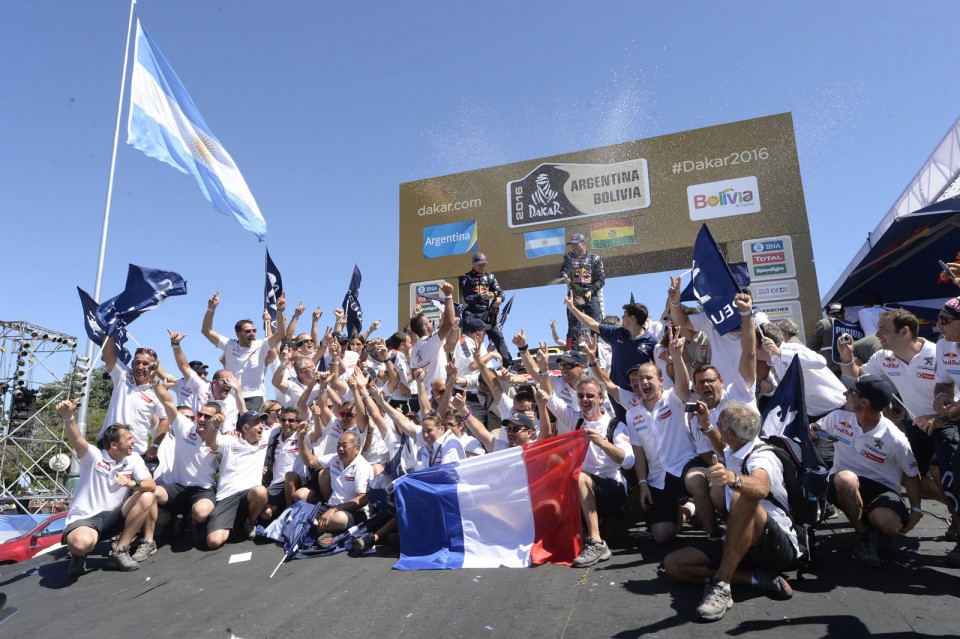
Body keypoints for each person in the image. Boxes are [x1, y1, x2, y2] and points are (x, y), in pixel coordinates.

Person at [664, 403, 799, 622]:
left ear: (730, 433)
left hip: (776, 546)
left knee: (742, 495)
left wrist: (732, 479)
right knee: (674, 565)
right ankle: (754, 579)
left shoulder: (762, 458)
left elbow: (761, 486)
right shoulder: (737, 447)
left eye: (719, 421)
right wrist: (707, 426)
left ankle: (722, 585)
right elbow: (721, 446)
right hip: (741, 540)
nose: (716, 420)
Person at [587, 330, 714, 544]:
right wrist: (643, 482)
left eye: (648, 378)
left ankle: (714, 535)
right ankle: (687, 510)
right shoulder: (632, 411)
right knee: (662, 537)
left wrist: (676, 355)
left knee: (696, 481)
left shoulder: (673, 399)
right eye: (639, 379)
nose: (643, 382)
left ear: (661, 381)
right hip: (657, 476)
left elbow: (683, 385)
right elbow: (637, 450)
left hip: (684, 465)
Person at [811, 375, 922, 567]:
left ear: (864, 402)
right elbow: (816, 428)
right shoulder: (839, 418)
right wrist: (813, 430)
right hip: (843, 483)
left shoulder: (895, 438)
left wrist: (916, 509)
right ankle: (864, 535)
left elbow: (912, 474)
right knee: (846, 479)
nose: (845, 394)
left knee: (890, 525)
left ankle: (880, 530)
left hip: (881, 488)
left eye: (851, 392)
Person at [540, 373, 633, 568]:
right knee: (554, 461)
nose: (585, 400)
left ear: (600, 398)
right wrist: (541, 371)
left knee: (581, 478)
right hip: (582, 488)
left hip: (611, 487)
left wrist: (600, 441)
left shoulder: (615, 425)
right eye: (581, 396)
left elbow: (628, 461)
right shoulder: (576, 419)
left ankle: (597, 542)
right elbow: (551, 398)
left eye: (590, 396)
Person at [57, 399, 157, 577]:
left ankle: (120, 551)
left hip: (114, 517)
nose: (134, 442)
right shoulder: (94, 456)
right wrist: (68, 417)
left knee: (147, 495)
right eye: (129, 439)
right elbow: (77, 439)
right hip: (87, 519)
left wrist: (132, 484)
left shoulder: (133, 459)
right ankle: (78, 556)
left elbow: (151, 484)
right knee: (82, 544)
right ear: (113, 445)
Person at [151, 382, 222, 548]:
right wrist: (154, 381)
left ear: (217, 420)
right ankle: (162, 527)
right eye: (200, 415)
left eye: (208, 417)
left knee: (201, 512)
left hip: (202, 490)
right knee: (147, 494)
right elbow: (167, 401)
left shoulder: (221, 440)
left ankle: (196, 523)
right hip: (177, 488)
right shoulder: (185, 427)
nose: (202, 419)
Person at [201, 290, 287, 411]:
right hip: (232, 396)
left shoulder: (261, 344)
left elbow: (281, 334)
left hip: (255, 396)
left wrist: (280, 311)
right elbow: (206, 331)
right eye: (247, 331)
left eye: (254, 330)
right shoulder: (229, 344)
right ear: (238, 333)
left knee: (251, 428)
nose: (252, 333)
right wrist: (211, 309)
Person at [206, 410, 271, 549]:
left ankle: (250, 522)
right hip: (227, 496)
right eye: (257, 423)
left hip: (250, 494)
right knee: (214, 542)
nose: (261, 426)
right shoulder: (230, 440)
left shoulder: (264, 439)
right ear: (246, 428)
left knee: (260, 491)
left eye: (262, 423)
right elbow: (211, 442)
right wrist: (215, 427)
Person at [95, 338, 169, 461]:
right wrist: (110, 328)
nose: (140, 367)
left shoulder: (158, 390)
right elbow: (108, 354)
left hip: (135, 452)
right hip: (107, 447)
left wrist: (155, 446)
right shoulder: (122, 374)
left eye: (145, 364)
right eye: (137, 363)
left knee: (135, 481)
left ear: (154, 367)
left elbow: (165, 419)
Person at [296, 429, 373, 544]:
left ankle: (316, 531)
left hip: (354, 511)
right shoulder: (334, 459)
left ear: (357, 448)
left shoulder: (363, 467)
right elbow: (310, 460)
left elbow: (362, 500)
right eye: (338, 445)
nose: (340, 449)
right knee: (301, 513)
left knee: (338, 519)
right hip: (331, 506)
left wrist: (335, 509)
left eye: (344, 445)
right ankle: (321, 532)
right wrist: (301, 438)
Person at [460, 252, 512, 365]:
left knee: (498, 336)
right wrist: (482, 296)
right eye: (479, 264)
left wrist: (499, 299)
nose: (482, 266)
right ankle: (469, 363)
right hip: (471, 314)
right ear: (473, 264)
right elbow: (467, 298)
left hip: (486, 313)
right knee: (473, 336)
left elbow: (501, 293)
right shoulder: (466, 278)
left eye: (484, 264)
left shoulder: (490, 277)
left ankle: (509, 364)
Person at [559, 232, 606, 348]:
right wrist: (565, 276)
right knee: (573, 326)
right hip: (574, 294)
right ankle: (573, 353)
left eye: (576, 244)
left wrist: (591, 290)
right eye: (572, 244)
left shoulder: (595, 259)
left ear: (583, 243)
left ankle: (598, 350)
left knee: (596, 323)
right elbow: (562, 271)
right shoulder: (568, 257)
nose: (574, 246)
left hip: (591, 294)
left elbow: (601, 279)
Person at [408, 281, 456, 389]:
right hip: (438, 396)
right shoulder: (432, 341)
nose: (432, 322)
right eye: (429, 321)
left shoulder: (414, 350)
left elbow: (413, 374)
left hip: (425, 397)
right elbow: (450, 322)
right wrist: (448, 295)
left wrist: (415, 318)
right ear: (425, 328)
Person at [807, 302, 846, 377]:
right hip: (853, 369)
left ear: (828, 314)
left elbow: (810, 347)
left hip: (832, 372)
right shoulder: (855, 326)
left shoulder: (825, 323)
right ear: (843, 313)